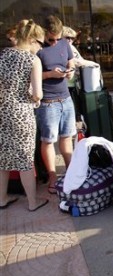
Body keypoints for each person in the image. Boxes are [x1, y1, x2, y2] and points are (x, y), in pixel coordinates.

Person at [0, 19, 49, 211]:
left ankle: (2, 199)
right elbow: (37, 93)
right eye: (40, 43)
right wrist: (34, 98)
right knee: (25, 159)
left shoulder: (3, 56)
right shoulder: (32, 60)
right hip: (21, 113)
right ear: (31, 39)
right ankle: (32, 202)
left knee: (2, 159)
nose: (40, 48)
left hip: (2, 112)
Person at [36, 15, 76, 194]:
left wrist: (70, 73)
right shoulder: (37, 49)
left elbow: (71, 61)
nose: (54, 42)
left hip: (66, 98)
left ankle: (72, 173)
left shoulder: (64, 44)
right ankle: (52, 177)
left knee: (67, 137)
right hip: (48, 102)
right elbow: (32, 76)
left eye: (58, 39)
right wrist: (50, 74)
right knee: (48, 140)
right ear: (43, 34)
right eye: (51, 39)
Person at [62, 26, 99, 125]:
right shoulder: (63, 48)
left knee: (74, 109)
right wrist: (93, 63)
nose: (70, 40)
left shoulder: (70, 47)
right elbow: (77, 61)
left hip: (72, 83)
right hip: (64, 83)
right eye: (67, 37)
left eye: (72, 38)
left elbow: (79, 60)